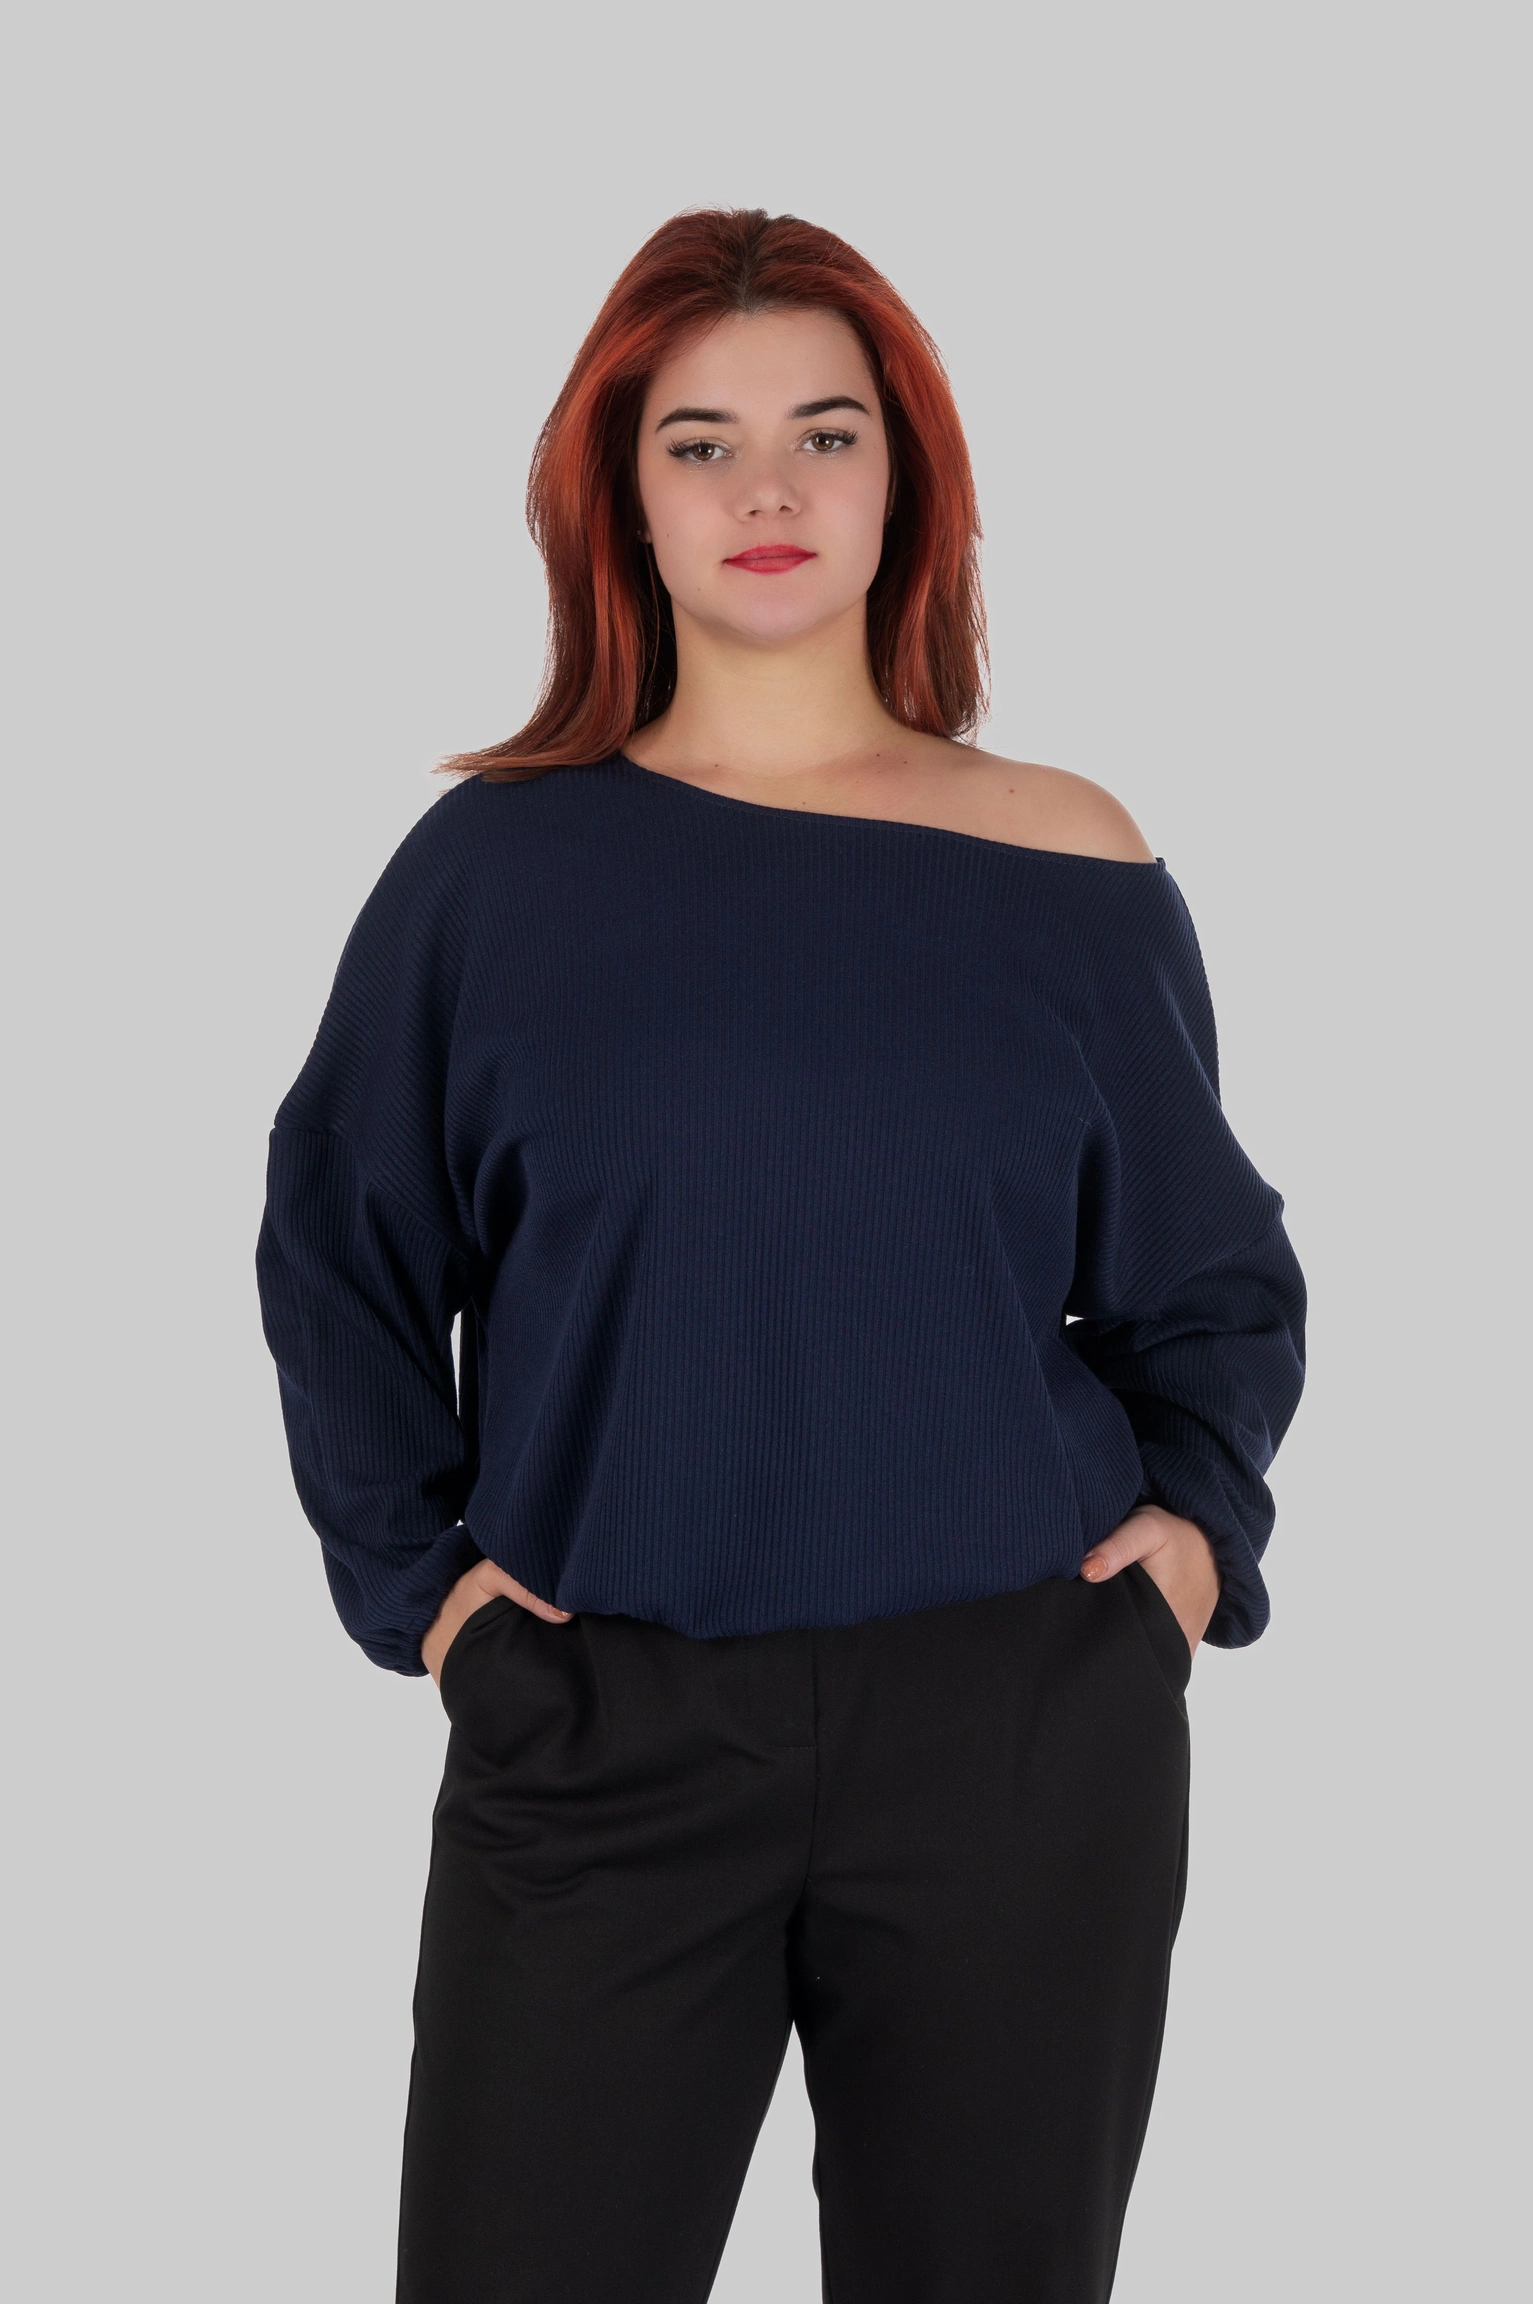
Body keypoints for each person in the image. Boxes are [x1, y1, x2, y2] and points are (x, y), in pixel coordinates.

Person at [257, 207, 1306, 2304]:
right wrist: (435, 1605)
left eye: (826, 434)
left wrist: (1186, 1542)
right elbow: (339, 1248)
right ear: (621, 499)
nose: (767, 489)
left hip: (1021, 1732)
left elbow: (1209, 1279)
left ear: (904, 481)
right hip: (598, 1728)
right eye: (700, 443)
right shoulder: (492, 873)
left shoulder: (1068, 860)